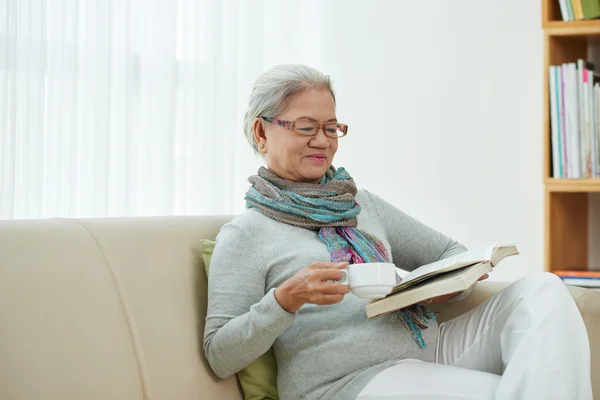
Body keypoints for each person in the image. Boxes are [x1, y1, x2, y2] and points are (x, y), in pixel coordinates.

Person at [203, 64, 592, 400]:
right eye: (306, 126)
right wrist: (283, 302)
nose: (322, 141)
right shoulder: (246, 235)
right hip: (344, 381)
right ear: (261, 131)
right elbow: (220, 355)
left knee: (543, 289)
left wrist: (449, 282)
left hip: (428, 345)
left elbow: (449, 252)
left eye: (332, 128)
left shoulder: (360, 204)